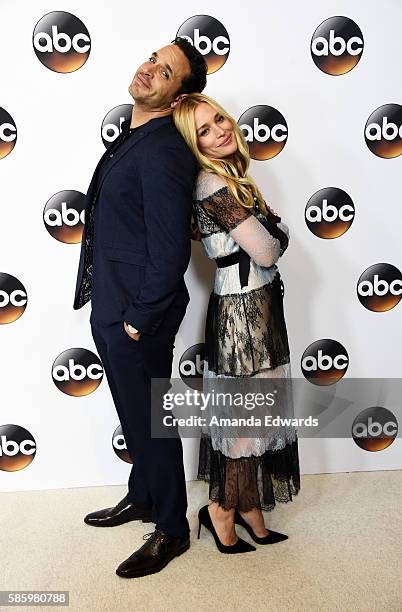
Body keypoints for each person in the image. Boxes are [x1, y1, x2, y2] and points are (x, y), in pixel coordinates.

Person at [73, 39, 207, 578]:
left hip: (137, 312)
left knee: (151, 422)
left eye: (167, 71)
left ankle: (172, 528)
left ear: (177, 98)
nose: (151, 69)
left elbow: (172, 248)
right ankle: (144, 496)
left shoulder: (164, 150)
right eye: (154, 58)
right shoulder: (133, 138)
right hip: (114, 299)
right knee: (135, 414)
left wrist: (137, 319)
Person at [173, 93, 301, 554]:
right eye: (204, 131)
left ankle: (248, 507)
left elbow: (265, 242)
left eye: (219, 119)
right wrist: (275, 231)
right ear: (194, 145)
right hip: (242, 317)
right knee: (246, 421)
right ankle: (221, 510)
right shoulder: (212, 184)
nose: (219, 130)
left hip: (260, 308)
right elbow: (266, 249)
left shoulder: (233, 177)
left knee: (260, 416)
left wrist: (271, 231)